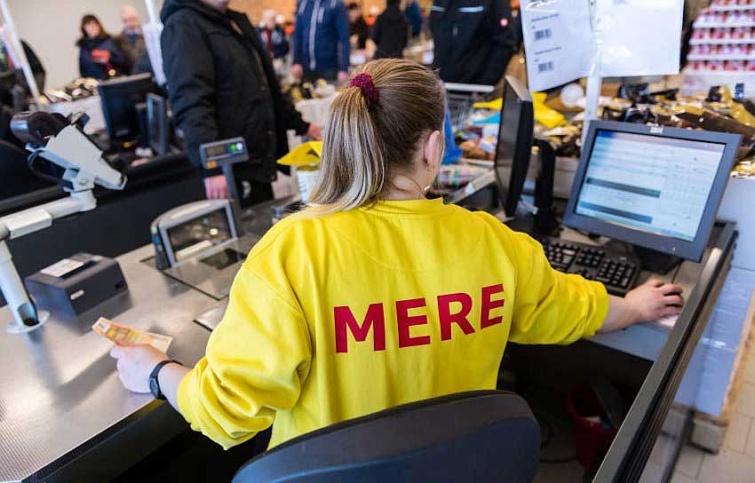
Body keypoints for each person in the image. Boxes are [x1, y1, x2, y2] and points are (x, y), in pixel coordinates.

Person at [111, 59, 684, 452]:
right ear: (434, 147)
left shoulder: (291, 252)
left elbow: (226, 413)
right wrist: (634, 307)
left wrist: (156, 371)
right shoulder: (492, 241)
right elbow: (570, 308)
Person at [160, 0, 319, 205]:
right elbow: (191, 101)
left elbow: (267, 87)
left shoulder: (233, 22)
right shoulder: (184, 24)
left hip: (256, 161)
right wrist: (212, 167)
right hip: (231, 171)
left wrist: (301, 125)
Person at [429, 0, 517, 85]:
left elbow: (505, 42)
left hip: (476, 86)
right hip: (440, 83)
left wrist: (486, 82)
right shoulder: (440, 3)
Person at [292, 0, 350, 84]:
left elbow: (344, 39)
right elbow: (297, 35)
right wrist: (296, 61)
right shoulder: (303, 4)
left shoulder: (336, 4)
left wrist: (344, 68)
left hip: (329, 68)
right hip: (305, 67)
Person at [77, 14, 127, 80]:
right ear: (84, 28)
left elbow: (122, 61)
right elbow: (82, 68)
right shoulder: (83, 46)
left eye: (95, 23)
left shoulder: (109, 41)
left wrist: (109, 58)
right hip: (92, 82)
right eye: (89, 24)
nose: (93, 26)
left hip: (110, 80)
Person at [115, 5, 152, 75]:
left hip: (149, 73)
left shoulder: (147, 34)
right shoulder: (118, 40)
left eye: (132, 19)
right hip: (131, 76)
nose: (129, 23)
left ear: (137, 18)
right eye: (126, 20)